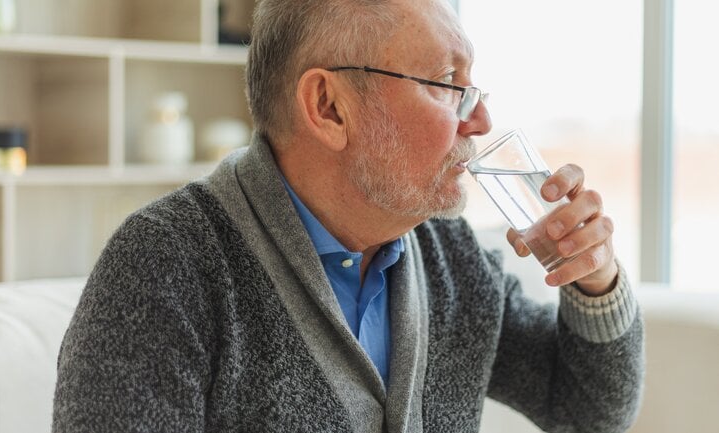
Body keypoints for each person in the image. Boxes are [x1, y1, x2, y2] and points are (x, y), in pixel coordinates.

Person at [52, 0, 644, 432]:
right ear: (329, 107)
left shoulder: (449, 255)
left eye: (473, 86)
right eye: (445, 82)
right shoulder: (164, 266)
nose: (482, 120)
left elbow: (588, 410)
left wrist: (596, 280)